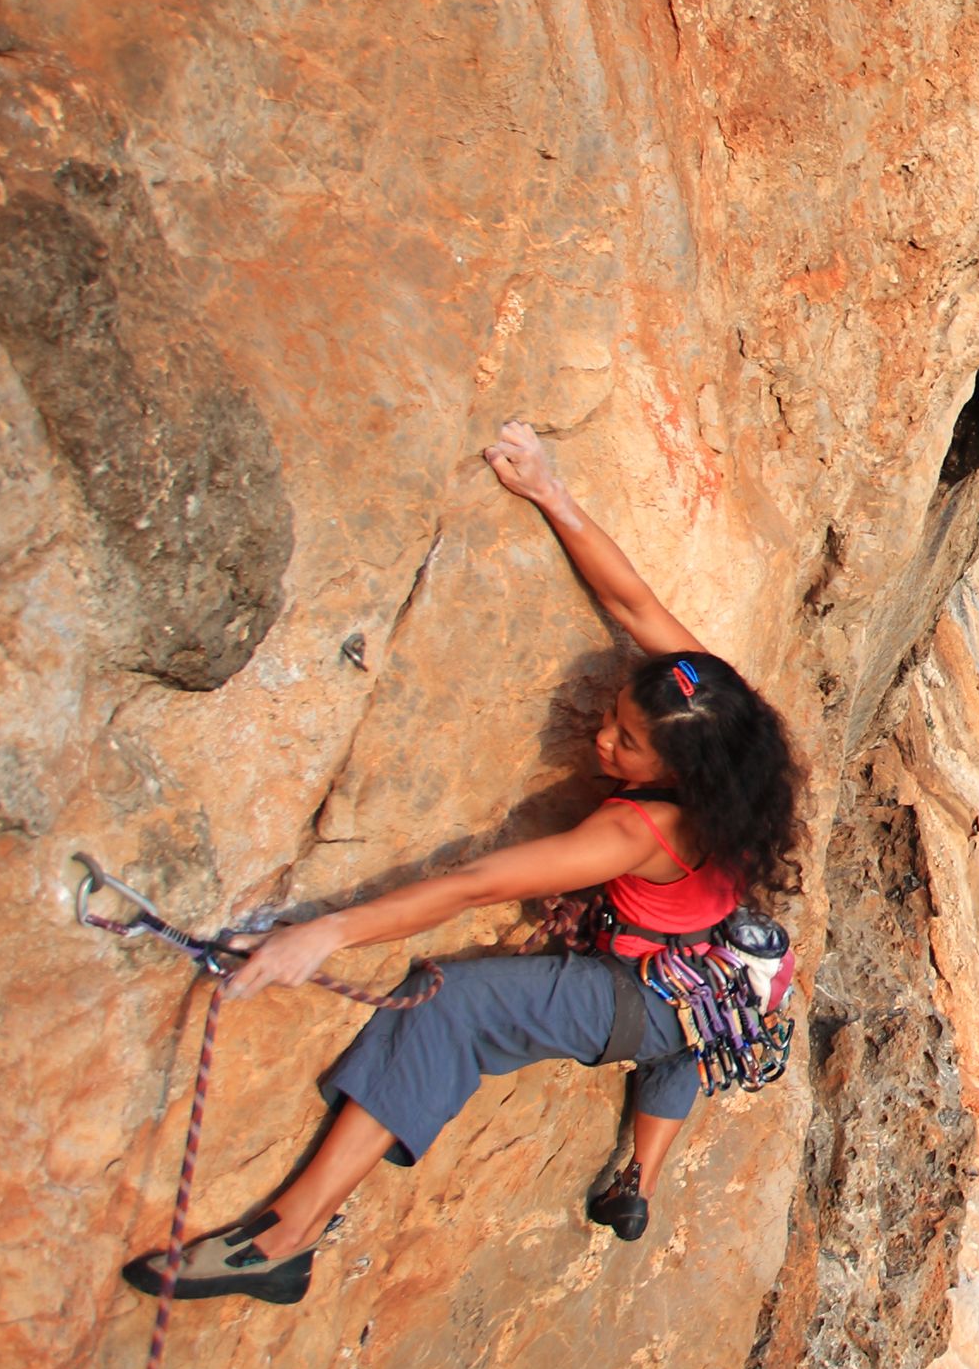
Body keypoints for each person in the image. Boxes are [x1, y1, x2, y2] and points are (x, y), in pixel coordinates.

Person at [122, 420, 804, 1305]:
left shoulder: (639, 831)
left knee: (451, 1006)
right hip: (718, 976)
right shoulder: (724, 720)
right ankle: (639, 1173)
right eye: (612, 721)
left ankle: (285, 1242)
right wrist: (552, 495)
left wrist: (326, 932)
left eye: (627, 745)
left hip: (652, 996)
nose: (602, 740)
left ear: (677, 771)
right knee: (673, 1050)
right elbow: (636, 608)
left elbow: (478, 884)